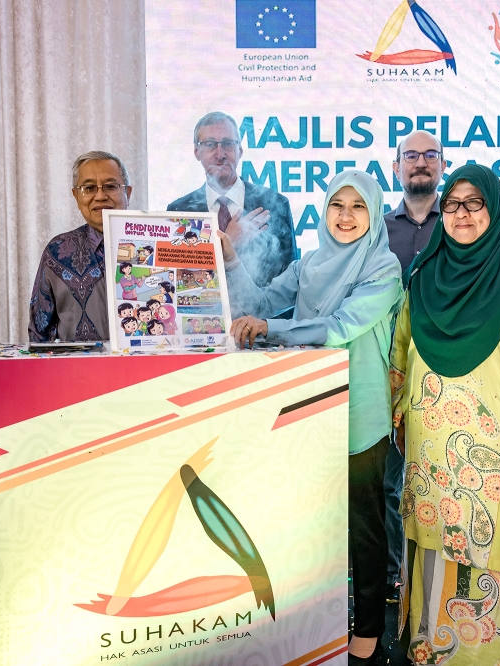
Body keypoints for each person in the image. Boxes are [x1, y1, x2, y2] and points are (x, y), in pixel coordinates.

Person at [223, 170, 403, 665]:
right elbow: (258, 304)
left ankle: (367, 628)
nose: (346, 216)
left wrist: (273, 330)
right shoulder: (308, 265)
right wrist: (234, 259)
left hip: (360, 413)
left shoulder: (383, 267)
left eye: (358, 206)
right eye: (336, 205)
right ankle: (312, 625)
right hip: (308, 408)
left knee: (363, 525)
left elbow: (343, 326)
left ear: (373, 214)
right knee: (308, 524)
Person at [391, 164, 500, 666]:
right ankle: (436, 651)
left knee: (498, 548)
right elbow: (401, 348)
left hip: (499, 453)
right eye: (452, 204)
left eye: (474, 203)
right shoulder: (424, 271)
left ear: (495, 207)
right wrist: (399, 413)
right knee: (436, 543)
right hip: (432, 450)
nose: (461, 214)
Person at [383, 129, 446, 603]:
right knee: (389, 480)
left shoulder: (466, 223)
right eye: (411, 156)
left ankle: (440, 576)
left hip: (448, 375)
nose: (420, 163)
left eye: (430, 155)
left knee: (441, 479)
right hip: (386, 373)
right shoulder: (375, 230)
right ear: (395, 168)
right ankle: (391, 574)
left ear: (442, 165)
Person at [168, 111, 297, 287]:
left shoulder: (275, 204)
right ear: (197, 152)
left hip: (260, 314)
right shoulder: (177, 211)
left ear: (240, 150)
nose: (220, 154)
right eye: (210, 144)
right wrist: (228, 243)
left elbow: (290, 286)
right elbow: (176, 285)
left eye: (228, 144)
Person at [29, 151, 132, 342]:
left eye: (110, 186)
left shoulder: (156, 243)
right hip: (77, 372)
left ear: (127, 193)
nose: (100, 196)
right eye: (89, 188)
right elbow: (39, 334)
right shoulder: (57, 252)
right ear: (76, 196)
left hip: (155, 370)